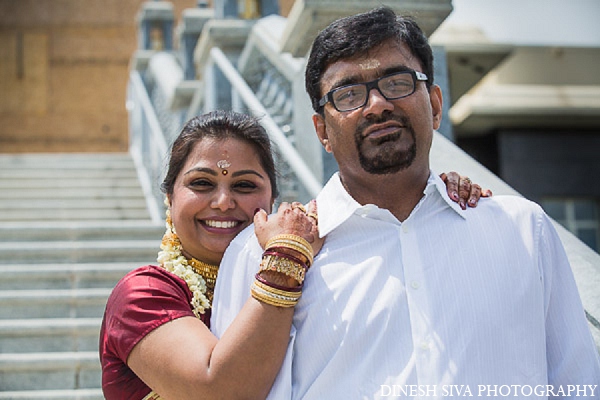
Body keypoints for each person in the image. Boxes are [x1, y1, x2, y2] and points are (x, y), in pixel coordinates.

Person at [211, 7, 600, 399]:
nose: (377, 104)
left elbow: (579, 384)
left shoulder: (522, 232)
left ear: (434, 104)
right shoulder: (258, 258)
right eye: (348, 94)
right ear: (322, 131)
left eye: (397, 82)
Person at [99, 110, 484, 399]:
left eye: (245, 185)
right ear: (169, 198)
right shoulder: (144, 295)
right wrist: (286, 257)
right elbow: (220, 390)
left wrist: (431, 195)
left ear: (271, 200)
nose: (223, 202)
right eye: (201, 183)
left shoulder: (308, 252)